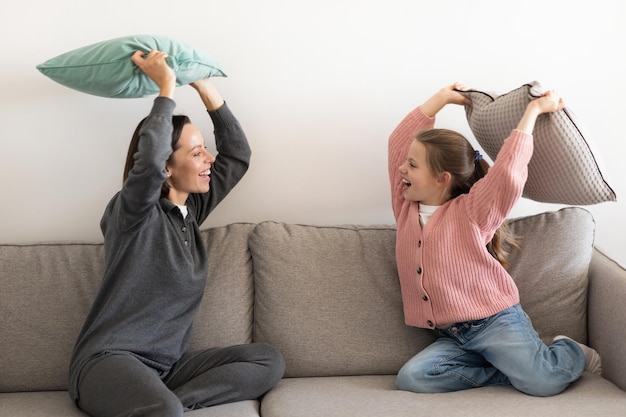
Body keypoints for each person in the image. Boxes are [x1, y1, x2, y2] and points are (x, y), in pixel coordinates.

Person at [68, 49, 285, 417]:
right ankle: (161, 407)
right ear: (167, 168)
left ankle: (167, 406)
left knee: (268, 360)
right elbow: (148, 162)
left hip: (168, 368)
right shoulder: (133, 213)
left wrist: (202, 85)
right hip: (108, 363)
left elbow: (237, 155)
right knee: (163, 409)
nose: (209, 160)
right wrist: (165, 86)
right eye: (198, 153)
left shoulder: (190, 212)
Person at [388, 82, 601, 397]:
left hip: (495, 323)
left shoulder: (473, 211)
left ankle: (569, 352)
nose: (402, 169)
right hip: (452, 335)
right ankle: (511, 370)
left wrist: (533, 112)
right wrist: (441, 99)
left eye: (413, 165)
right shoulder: (405, 207)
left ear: (441, 178)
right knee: (412, 378)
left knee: (543, 384)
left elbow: (507, 174)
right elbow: (398, 143)